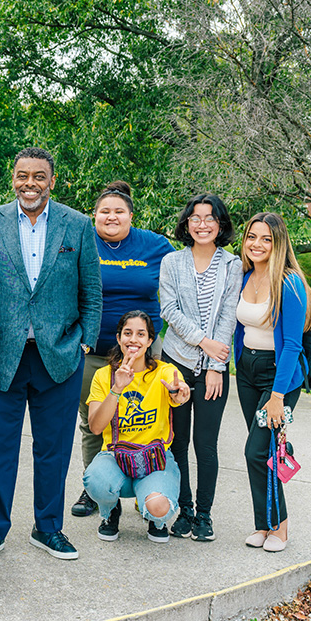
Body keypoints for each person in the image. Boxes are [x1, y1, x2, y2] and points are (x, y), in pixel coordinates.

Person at [0, 147, 102, 563]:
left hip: (59, 355)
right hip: (0, 355)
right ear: (13, 177)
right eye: (23, 175)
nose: (30, 184)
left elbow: (91, 292)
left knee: (53, 448)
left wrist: (85, 342)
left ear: (52, 181)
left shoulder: (76, 225)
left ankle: (49, 528)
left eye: (39, 176)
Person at [71, 181, 174, 518]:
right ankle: (95, 489)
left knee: (149, 416)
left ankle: (151, 482)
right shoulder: (81, 242)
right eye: (104, 211)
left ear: (131, 215)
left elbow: (177, 289)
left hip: (145, 350)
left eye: (118, 212)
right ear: (94, 216)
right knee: (93, 421)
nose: (111, 217)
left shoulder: (155, 246)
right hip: (94, 349)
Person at [233, 212, 311, 553]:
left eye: (266, 239)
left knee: (257, 451)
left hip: (278, 376)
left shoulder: (288, 283)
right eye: (252, 237)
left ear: (278, 244)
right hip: (247, 371)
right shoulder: (243, 276)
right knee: (263, 452)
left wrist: (278, 395)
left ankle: (281, 528)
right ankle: (263, 525)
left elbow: (292, 345)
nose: (257, 244)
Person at [157, 193, 242, 542]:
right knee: (177, 442)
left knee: (205, 444)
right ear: (186, 223)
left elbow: (228, 315)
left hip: (213, 369)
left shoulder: (233, 265)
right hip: (176, 361)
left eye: (210, 218)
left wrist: (214, 363)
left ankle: (204, 515)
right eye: (195, 217)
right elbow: (169, 311)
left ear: (220, 224)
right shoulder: (172, 262)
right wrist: (202, 342)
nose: (202, 224)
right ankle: (184, 510)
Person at [84, 311, 190, 542]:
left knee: (158, 506)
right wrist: (117, 388)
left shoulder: (164, 372)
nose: (134, 340)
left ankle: (155, 519)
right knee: (96, 481)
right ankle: (111, 511)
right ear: (119, 338)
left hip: (154, 457)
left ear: (150, 340)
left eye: (141, 334)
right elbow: (95, 426)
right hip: (115, 456)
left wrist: (180, 394)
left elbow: (177, 393)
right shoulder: (104, 375)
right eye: (128, 333)